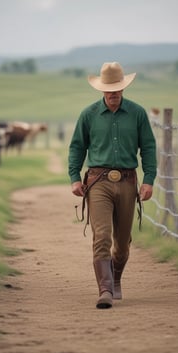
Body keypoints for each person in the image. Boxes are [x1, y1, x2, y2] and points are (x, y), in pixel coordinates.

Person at [68, 62, 157, 309]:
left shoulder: (138, 114)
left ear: (123, 89)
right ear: (101, 90)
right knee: (102, 236)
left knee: (122, 242)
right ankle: (105, 290)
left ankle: (116, 278)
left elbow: (148, 147)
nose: (113, 93)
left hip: (128, 182)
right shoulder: (88, 115)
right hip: (98, 182)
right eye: (109, 89)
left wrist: (148, 180)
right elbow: (77, 146)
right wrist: (75, 177)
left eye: (117, 89)